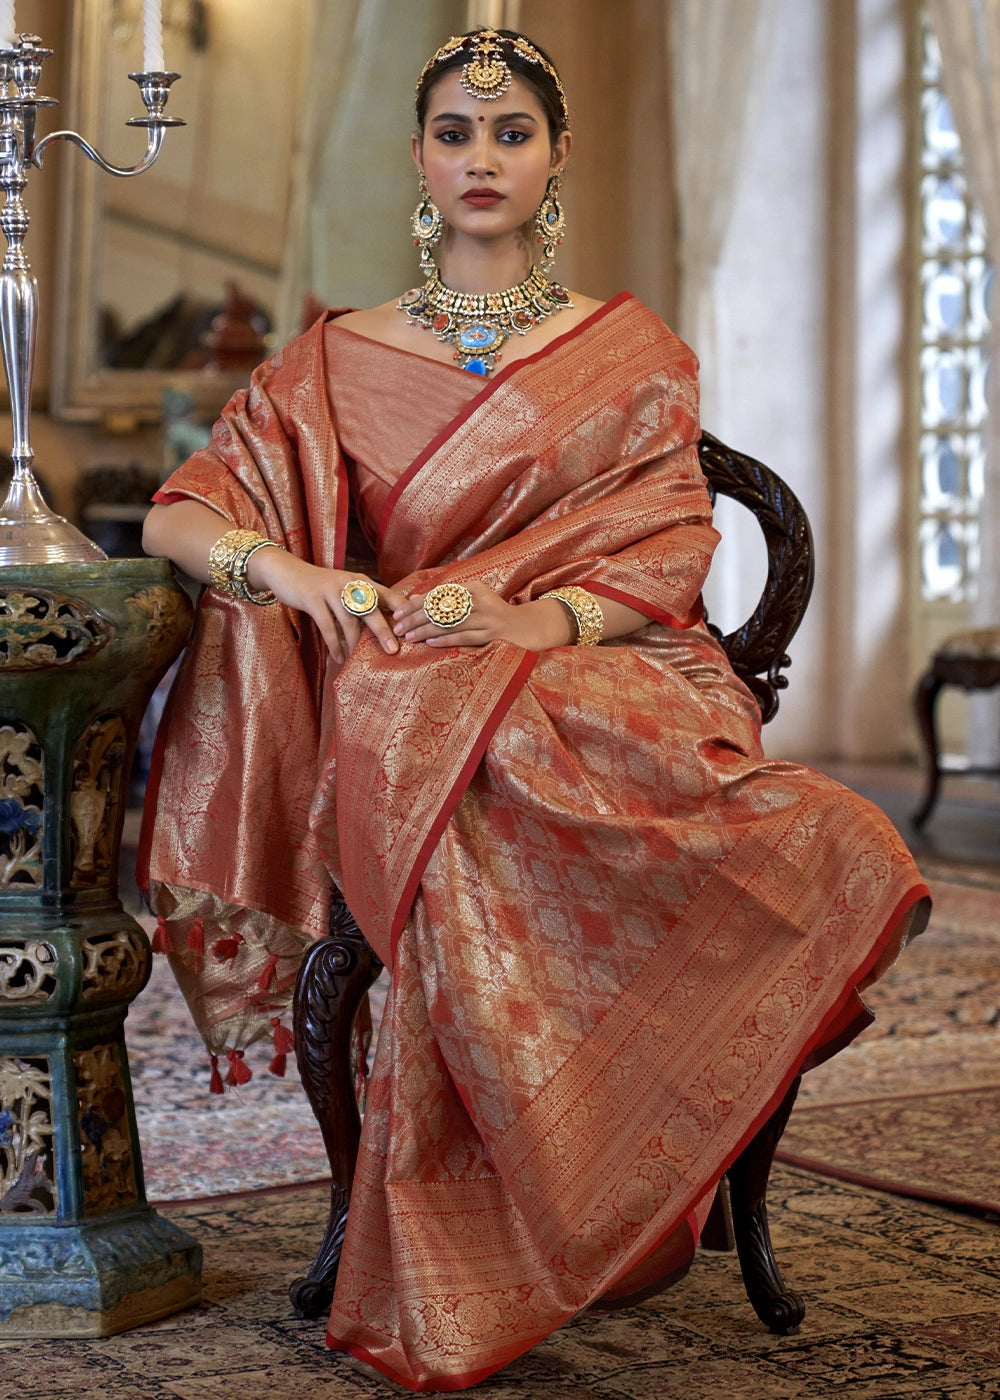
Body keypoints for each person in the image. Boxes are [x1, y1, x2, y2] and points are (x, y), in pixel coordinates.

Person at [140, 27, 930, 1393]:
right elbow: (183, 513)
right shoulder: (334, 360)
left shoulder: (627, 355)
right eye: (458, 132)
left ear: (555, 157)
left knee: (630, 758)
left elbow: (668, 539)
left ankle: (657, 1080)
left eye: (512, 134)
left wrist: (539, 622)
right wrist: (300, 573)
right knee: (432, 700)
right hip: (413, 691)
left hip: (601, 668)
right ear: (420, 159)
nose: (484, 158)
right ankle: (549, 1185)